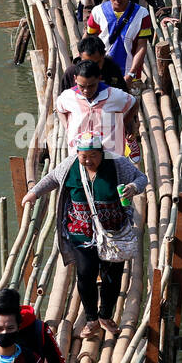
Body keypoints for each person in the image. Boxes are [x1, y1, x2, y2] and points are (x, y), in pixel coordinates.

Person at [21, 133, 147, 336]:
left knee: (112, 276)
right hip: (81, 233)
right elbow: (52, 178)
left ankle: (105, 315)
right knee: (85, 274)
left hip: (113, 232)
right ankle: (91, 318)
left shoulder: (118, 163)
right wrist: (34, 193)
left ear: (102, 153)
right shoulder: (70, 165)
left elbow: (141, 178)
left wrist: (133, 188)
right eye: (83, 156)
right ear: (77, 153)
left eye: (93, 156)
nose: (88, 160)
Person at [55, 58, 137, 157]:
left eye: (91, 86)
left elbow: (134, 103)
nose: (86, 91)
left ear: (99, 78)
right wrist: (67, 126)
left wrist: (123, 123)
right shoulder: (68, 96)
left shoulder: (114, 96)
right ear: (75, 79)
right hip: (79, 153)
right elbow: (59, 108)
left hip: (110, 154)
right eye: (82, 86)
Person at [87, 0, 153, 82]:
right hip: (101, 74)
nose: (117, 0)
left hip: (129, 75)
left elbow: (141, 46)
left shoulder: (142, 14)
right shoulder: (97, 12)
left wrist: (131, 74)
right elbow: (90, 39)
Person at [59, 35, 125, 92]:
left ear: (104, 55)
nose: (92, 68)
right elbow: (63, 98)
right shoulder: (71, 73)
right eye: (87, 63)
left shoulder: (112, 69)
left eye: (97, 63)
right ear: (80, 56)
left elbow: (123, 95)